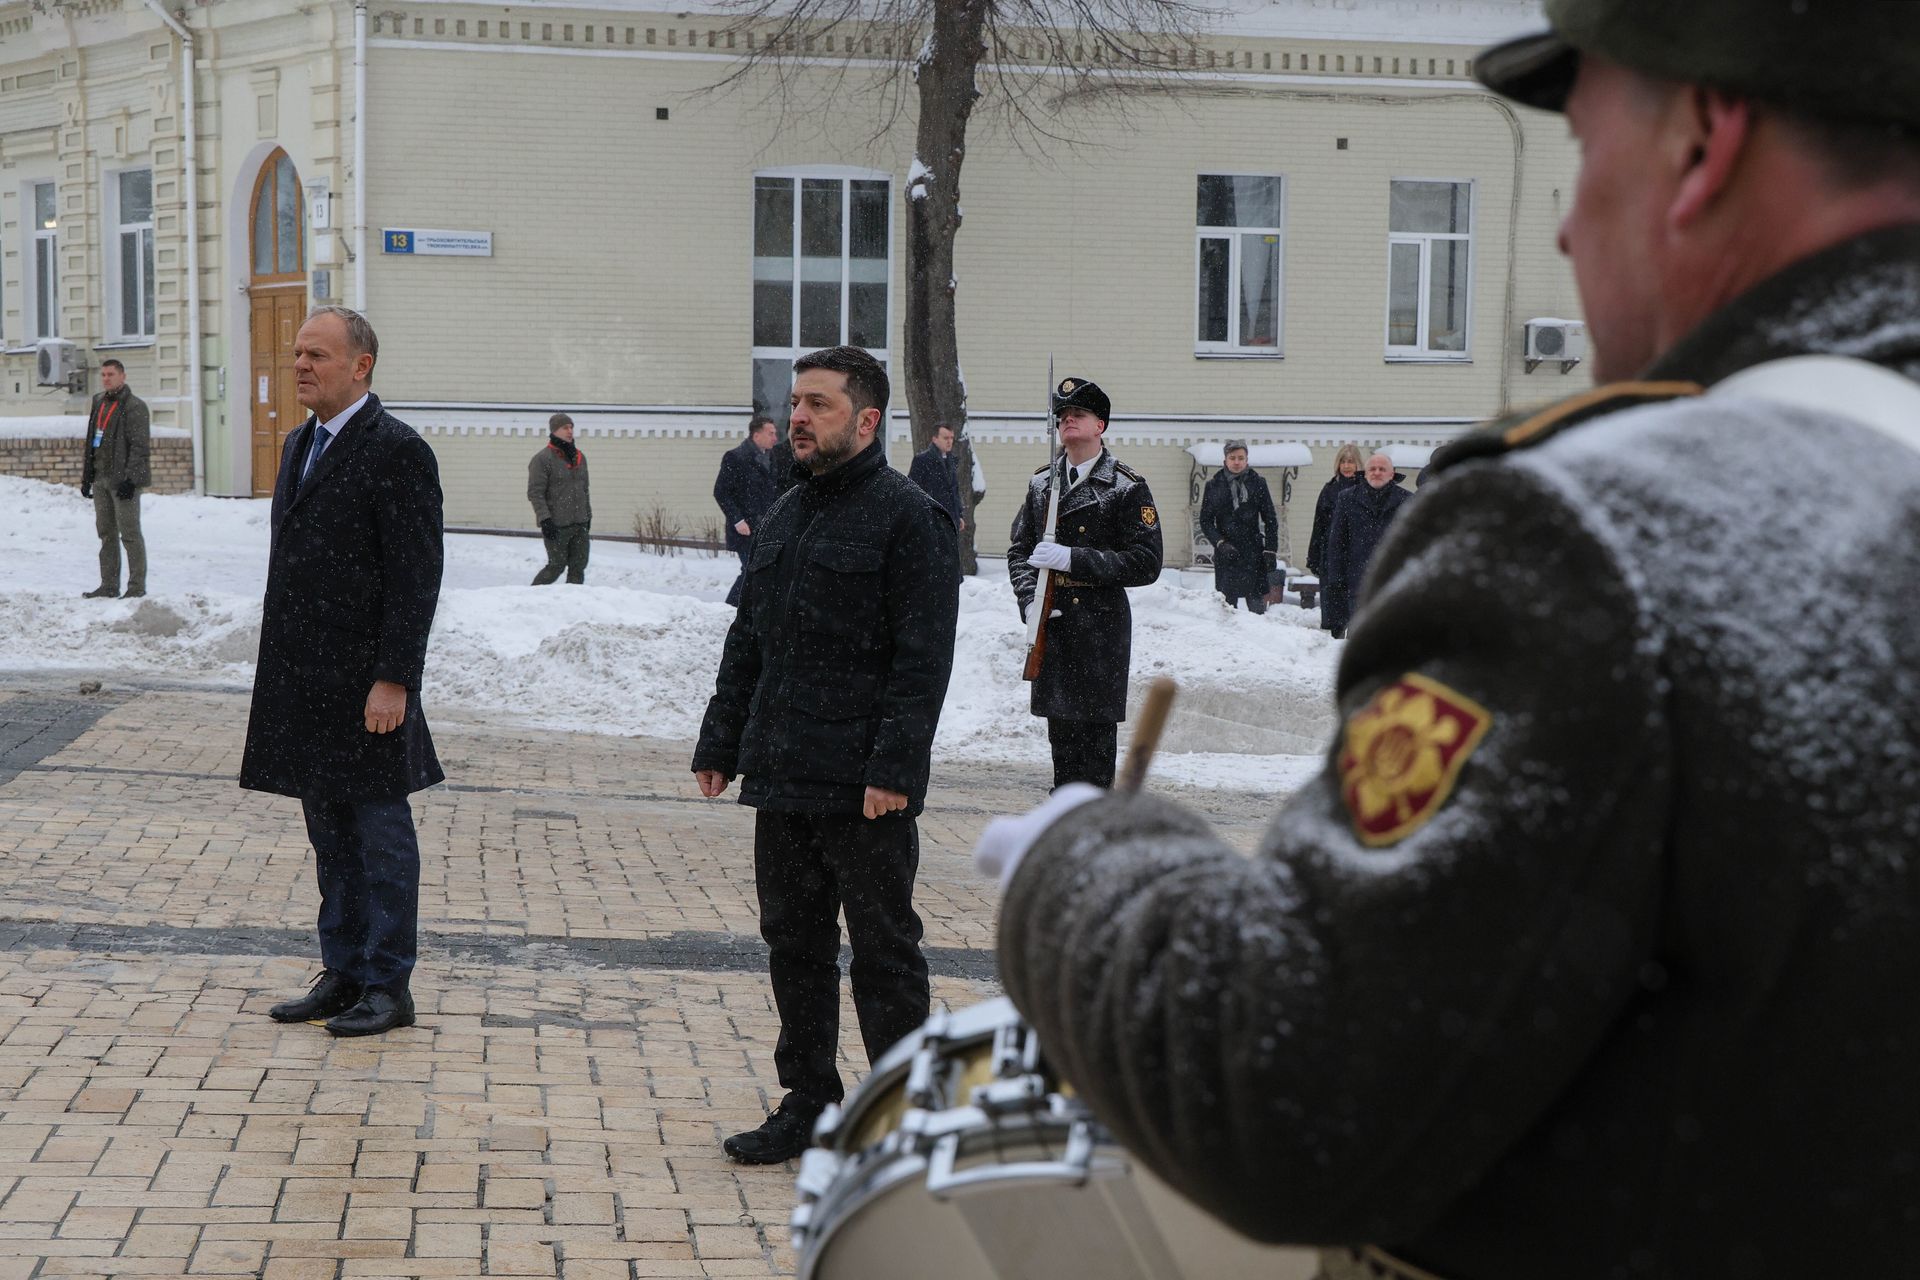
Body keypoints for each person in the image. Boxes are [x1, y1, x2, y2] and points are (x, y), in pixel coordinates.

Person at [977, 4, 1920, 1278]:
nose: (1571, 226)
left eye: (1587, 156)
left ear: (1706, 140)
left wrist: (1082, 868)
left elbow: (1289, 1083)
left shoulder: (1599, 541)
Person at [692, 346, 959, 1165]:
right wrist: (720, 739)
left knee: (884, 954)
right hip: (784, 770)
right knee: (795, 947)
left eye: (818, 404)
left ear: (866, 419)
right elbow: (751, 639)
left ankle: (908, 1120)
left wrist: (894, 770)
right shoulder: (787, 511)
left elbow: (923, 658)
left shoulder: (909, 516)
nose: (798, 418)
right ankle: (809, 1100)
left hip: (862, 783)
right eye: (795, 403)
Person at [240, 306, 444, 1039]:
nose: (300, 364)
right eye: (297, 353)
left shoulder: (398, 451)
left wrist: (395, 678)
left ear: (361, 365)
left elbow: (415, 578)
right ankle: (344, 970)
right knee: (330, 835)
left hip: (368, 687)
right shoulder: (299, 444)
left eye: (317, 355)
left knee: (381, 838)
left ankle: (389, 984)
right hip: (308, 683)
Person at [1007, 376, 1164, 790]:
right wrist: (1030, 600)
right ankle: (1063, 832)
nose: (1067, 420)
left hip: (1099, 631)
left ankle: (1092, 835)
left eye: (1078, 414)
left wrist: (1074, 559)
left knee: (1094, 755)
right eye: (1062, 415)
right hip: (1055, 625)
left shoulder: (1126, 487)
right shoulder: (1042, 483)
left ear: (1101, 425)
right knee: (1062, 749)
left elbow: (1146, 563)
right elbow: (1019, 551)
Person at [79, 359, 152, 599]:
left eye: (111, 374)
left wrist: (131, 480)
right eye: (103, 374)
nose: (106, 378)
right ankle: (108, 585)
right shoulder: (99, 401)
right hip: (101, 478)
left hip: (123, 482)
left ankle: (136, 587)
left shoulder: (134, 406)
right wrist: (87, 476)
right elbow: (92, 440)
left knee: (129, 533)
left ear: (123, 376)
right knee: (106, 533)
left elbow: (139, 447)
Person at [1319, 452, 1409, 639]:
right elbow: (1337, 542)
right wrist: (1335, 578)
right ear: (1365, 473)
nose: (1377, 473)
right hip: (1357, 580)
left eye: (1382, 469)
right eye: (1372, 469)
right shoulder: (1347, 498)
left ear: (1392, 474)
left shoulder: (1407, 501)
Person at [1198, 440, 1279, 614]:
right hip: (1227, 553)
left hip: (1253, 553)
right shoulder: (1214, 485)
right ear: (1225, 460)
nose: (1236, 462)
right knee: (1227, 611)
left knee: (1257, 609)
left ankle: (1259, 639)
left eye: (1241, 458)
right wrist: (1220, 543)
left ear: (1246, 460)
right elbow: (1205, 520)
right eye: (1232, 458)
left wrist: (1271, 550)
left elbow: (1270, 519)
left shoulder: (1258, 483)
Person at [713, 414, 780, 606]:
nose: (775, 438)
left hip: (765, 526)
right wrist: (738, 520)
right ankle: (731, 606)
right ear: (756, 435)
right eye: (771, 433)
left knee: (759, 569)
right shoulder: (735, 458)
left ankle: (748, 607)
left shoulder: (771, 458)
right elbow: (721, 492)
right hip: (745, 528)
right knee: (751, 568)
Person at [527, 412, 591, 585]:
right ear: (554, 430)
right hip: (557, 525)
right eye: (565, 428)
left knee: (578, 567)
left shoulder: (580, 457)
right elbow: (535, 492)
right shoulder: (542, 459)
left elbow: (585, 490)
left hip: (580, 523)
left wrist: (588, 517)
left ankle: (573, 602)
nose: (570, 431)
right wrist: (545, 519)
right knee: (556, 566)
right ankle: (531, 596)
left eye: (571, 427)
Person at [1304, 443, 1363, 590]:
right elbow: (1319, 525)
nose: (1346, 466)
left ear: (1358, 464)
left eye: (1350, 461)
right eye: (1343, 462)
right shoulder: (1329, 490)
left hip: (1358, 553)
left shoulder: (1366, 489)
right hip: (1331, 552)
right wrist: (1314, 557)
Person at [907, 423, 966, 534]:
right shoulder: (922, 460)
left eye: (951, 438)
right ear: (935, 439)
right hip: (931, 520)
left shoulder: (951, 461)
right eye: (945, 438)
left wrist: (959, 515)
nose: (949, 441)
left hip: (950, 520)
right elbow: (913, 491)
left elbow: (954, 490)